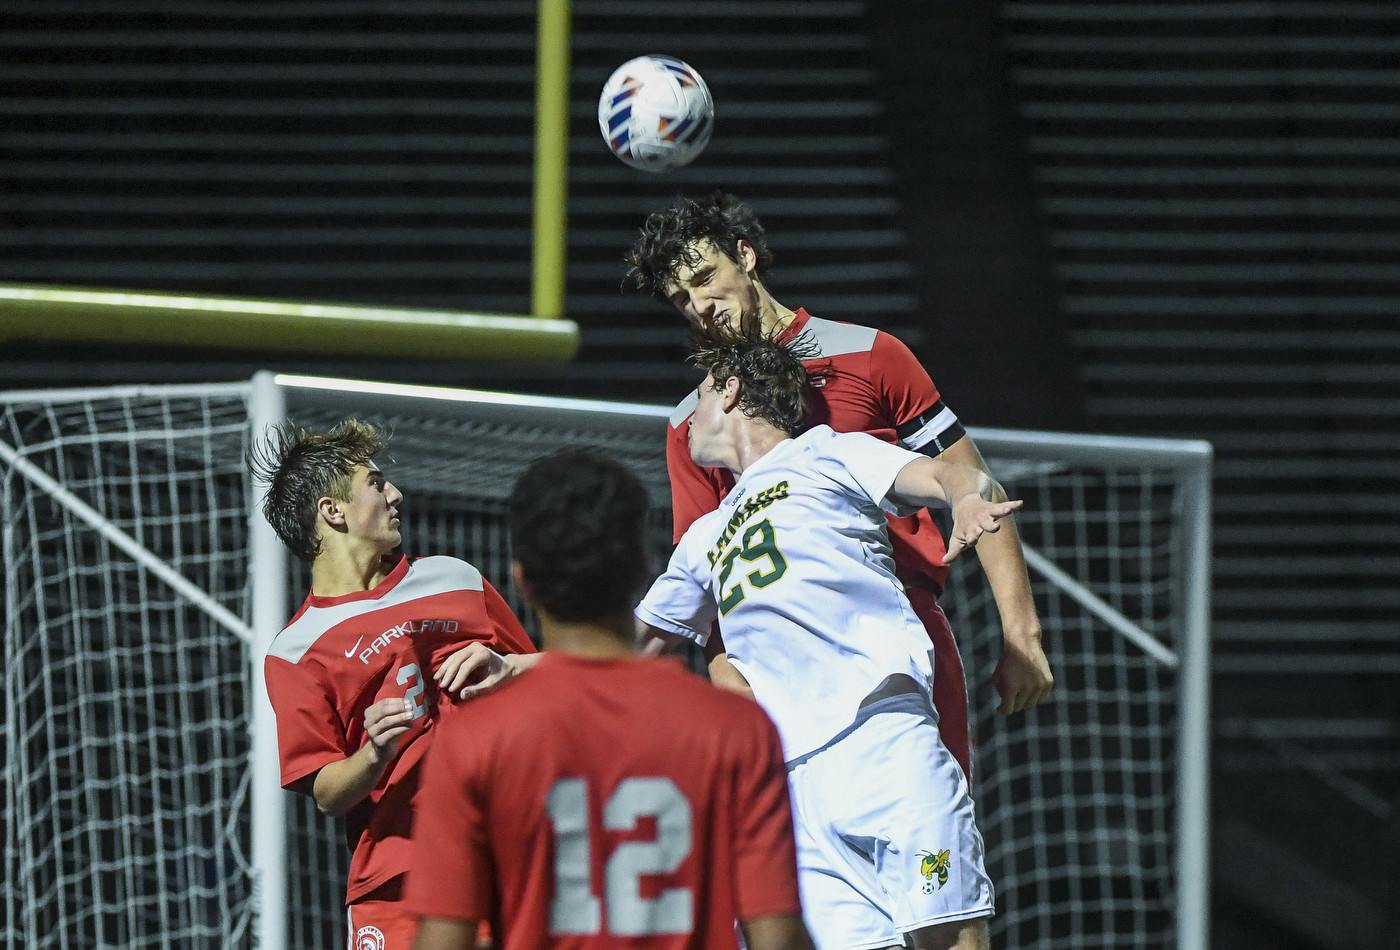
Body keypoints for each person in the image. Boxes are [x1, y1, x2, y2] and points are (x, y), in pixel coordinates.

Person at [624, 192, 1052, 784]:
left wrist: (1021, 635)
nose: (700, 306)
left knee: (928, 859)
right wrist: (741, 707)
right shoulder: (693, 429)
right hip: (777, 657)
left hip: (899, 630)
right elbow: (710, 592)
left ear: (745, 256)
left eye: (705, 277)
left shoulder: (871, 356)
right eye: (681, 299)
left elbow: (976, 485)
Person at [636, 324, 1019, 950]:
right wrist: (517, 669)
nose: (688, 416)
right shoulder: (707, 536)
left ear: (731, 391)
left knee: (948, 939)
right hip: (793, 785)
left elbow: (946, 475)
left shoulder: (828, 452)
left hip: (884, 741)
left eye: (700, 393)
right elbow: (622, 647)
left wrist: (970, 498)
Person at [407, 449, 813, 950]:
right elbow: (778, 937)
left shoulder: (473, 738)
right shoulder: (736, 727)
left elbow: (444, 941)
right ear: (644, 572)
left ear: (522, 582)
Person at [251, 420, 540, 950]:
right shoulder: (294, 651)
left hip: (508, 853)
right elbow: (325, 792)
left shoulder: (455, 578)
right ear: (332, 511)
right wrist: (374, 754)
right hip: (397, 884)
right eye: (376, 483)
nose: (395, 494)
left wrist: (513, 669)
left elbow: (569, 681)